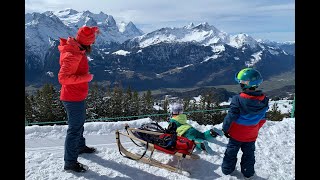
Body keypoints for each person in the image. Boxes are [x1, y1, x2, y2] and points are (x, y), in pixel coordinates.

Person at [58, 26, 100, 173]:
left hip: (76, 95)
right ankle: (70, 162)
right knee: (74, 129)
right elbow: (62, 78)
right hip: (72, 98)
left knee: (79, 124)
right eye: (92, 42)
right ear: (87, 43)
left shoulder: (77, 50)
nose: (93, 45)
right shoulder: (73, 54)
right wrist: (86, 78)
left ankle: (80, 147)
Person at [221, 68, 269, 179]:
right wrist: (255, 128)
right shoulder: (264, 100)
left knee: (231, 152)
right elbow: (262, 118)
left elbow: (230, 117)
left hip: (236, 134)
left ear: (243, 85)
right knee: (249, 154)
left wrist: (225, 129)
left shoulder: (237, 99)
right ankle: (248, 172)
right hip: (251, 134)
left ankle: (227, 170)